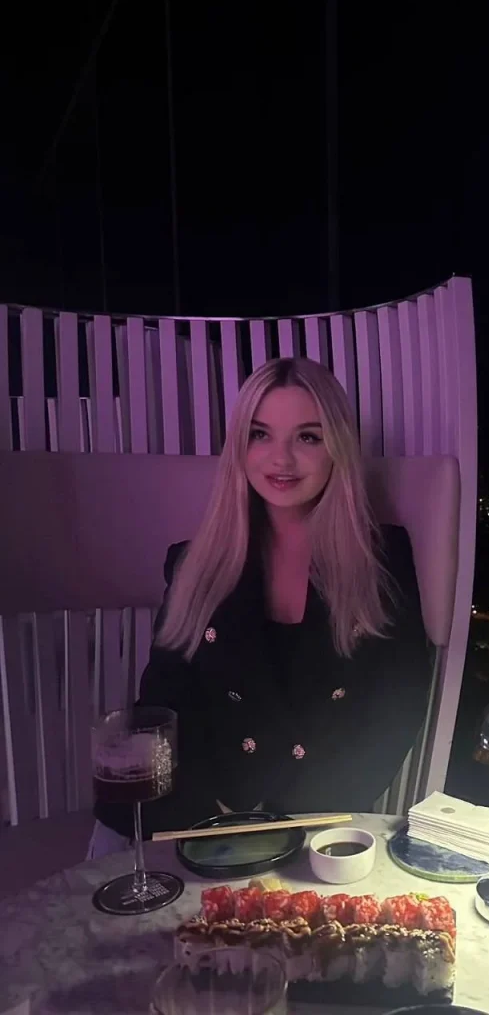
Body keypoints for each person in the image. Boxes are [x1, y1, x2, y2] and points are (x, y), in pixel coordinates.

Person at [92, 357, 432, 847]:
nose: (281, 459)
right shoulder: (193, 565)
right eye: (260, 434)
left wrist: (289, 829)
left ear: (337, 448)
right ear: (239, 447)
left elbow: (395, 711)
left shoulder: (383, 559)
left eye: (308, 437)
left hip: (318, 828)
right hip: (190, 822)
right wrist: (209, 823)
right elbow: (162, 709)